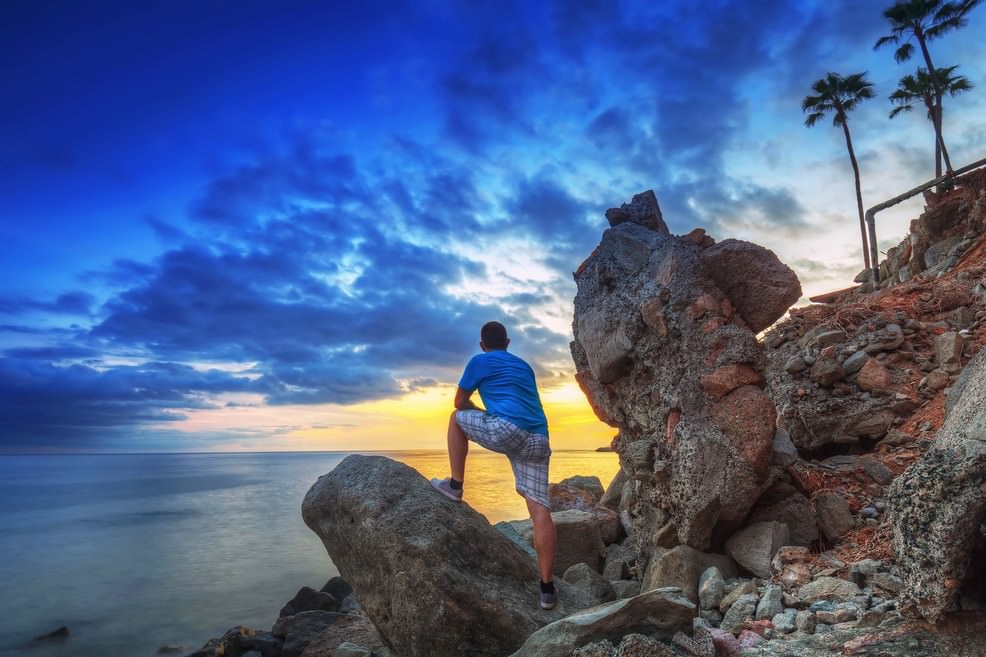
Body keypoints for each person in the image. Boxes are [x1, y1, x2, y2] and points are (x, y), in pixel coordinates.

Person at [431, 320, 558, 610]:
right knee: (540, 509)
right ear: (508, 343)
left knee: (455, 420)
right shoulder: (524, 366)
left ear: (482, 345)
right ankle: (547, 590)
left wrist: (481, 412)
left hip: (507, 429)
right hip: (539, 438)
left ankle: (455, 485)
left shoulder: (480, 361)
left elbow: (460, 402)